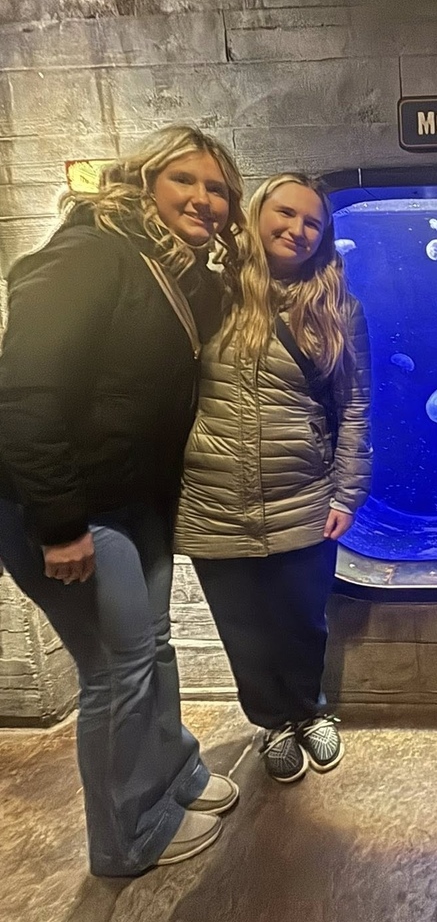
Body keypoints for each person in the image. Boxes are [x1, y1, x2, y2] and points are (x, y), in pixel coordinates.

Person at [0, 125, 246, 875]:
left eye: (219, 190)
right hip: (72, 513)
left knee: (152, 652)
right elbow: (26, 395)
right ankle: (127, 838)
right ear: (142, 181)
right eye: (187, 182)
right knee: (115, 672)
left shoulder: (169, 271)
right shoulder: (88, 254)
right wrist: (61, 524)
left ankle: (175, 776)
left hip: (133, 505)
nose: (205, 199)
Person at [175, 172, 372, 783]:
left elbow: (356, 405)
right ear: (258, 214)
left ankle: (311, 711)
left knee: (302, 619)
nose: (298, 230)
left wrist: (348, 490)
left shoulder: (337, 306)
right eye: (285, 214)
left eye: (312, 223)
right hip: (213, 497)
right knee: (241, 627)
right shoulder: (208, 294)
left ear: (325, 236)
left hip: (304, 494)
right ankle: (271, 722)